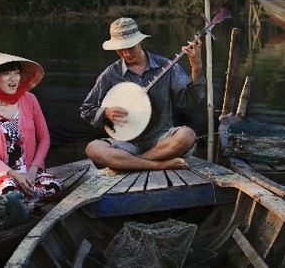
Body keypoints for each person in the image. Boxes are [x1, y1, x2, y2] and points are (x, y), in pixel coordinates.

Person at [80, 17, 205, 170]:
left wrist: (196, 66)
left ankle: (130, 163)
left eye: (130, 47)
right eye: (120, 49)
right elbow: (86, 109)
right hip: (126, 145)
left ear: (140, 41)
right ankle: (158, 165)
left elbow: (190, 99)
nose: (126, 54)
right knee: (92, 148)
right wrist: (105, 113)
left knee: (187, 135)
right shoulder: (111, 74)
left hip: (161, 141)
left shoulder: (165, 65)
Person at [0, 52, 64, 202]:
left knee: (56, 186)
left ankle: (20, 198)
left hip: (30, 172)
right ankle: (17, 198)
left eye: (17, 73)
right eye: (6, 73)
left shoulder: (30, 100)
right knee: (9, 189)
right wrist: (15, 175)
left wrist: (33, 171)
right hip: (0, 173)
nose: (13, 78)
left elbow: (44, 139)